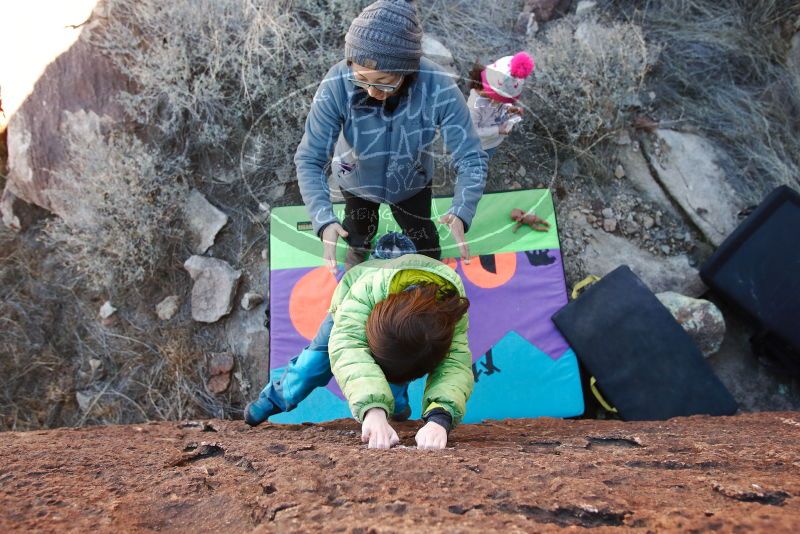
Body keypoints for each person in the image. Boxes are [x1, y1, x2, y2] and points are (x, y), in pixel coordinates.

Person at [294, 0, 488, 273]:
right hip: (355, 181)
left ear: (407, 71)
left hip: (413, 183)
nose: (372, 91)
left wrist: (461, 210)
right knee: (358, 229)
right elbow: (310, 158)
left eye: (385, 82)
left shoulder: (438, 87)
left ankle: (430, 261)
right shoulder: (337, 83)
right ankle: (358, 251)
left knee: (422, 234)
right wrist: (323, 219)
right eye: (362, 78)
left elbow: (471, 156)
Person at [245, 234, 473, 450]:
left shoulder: (451, 306)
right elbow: (348, 349)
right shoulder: (364, 293)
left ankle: (397, 403)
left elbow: (455, 364)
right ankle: (273, 399)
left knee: (400, 365)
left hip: (402, 324)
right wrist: (373, 410)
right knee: (311, 366)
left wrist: (440, 418)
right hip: (347, 313)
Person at [466, 52, 535, 160]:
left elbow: (497, 108)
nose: (500, 102)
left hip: (491, 142)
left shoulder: (493, 97)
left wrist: (510, 110)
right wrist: (498, 130)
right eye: (500, 99)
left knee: (487, 158)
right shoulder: (474, 107)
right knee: (474, 164)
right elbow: (472, 132)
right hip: (478, 145)